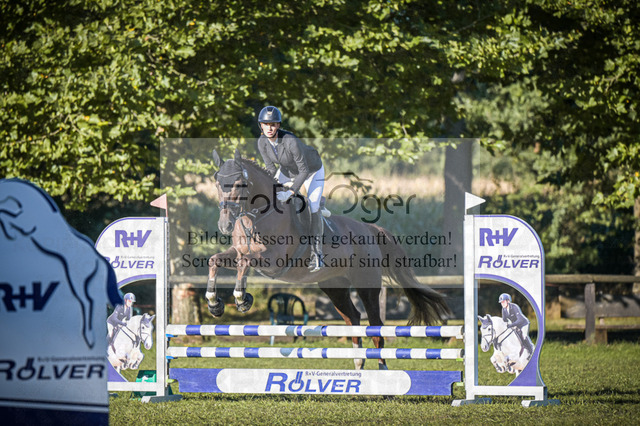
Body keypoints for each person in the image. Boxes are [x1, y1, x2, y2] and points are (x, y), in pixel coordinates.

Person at [256, 106, 325, 272]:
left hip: (311, 171)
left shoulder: (290, 141)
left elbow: (304, 171)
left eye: (273, 124)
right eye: (266, 124)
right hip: (287, 171)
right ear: (261, 126)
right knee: (271, 196)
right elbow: (271, 169)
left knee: (313, 206)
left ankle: (317, 254)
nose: (269, 128)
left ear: (278, 126)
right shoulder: (262, 142)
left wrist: (291, 191)